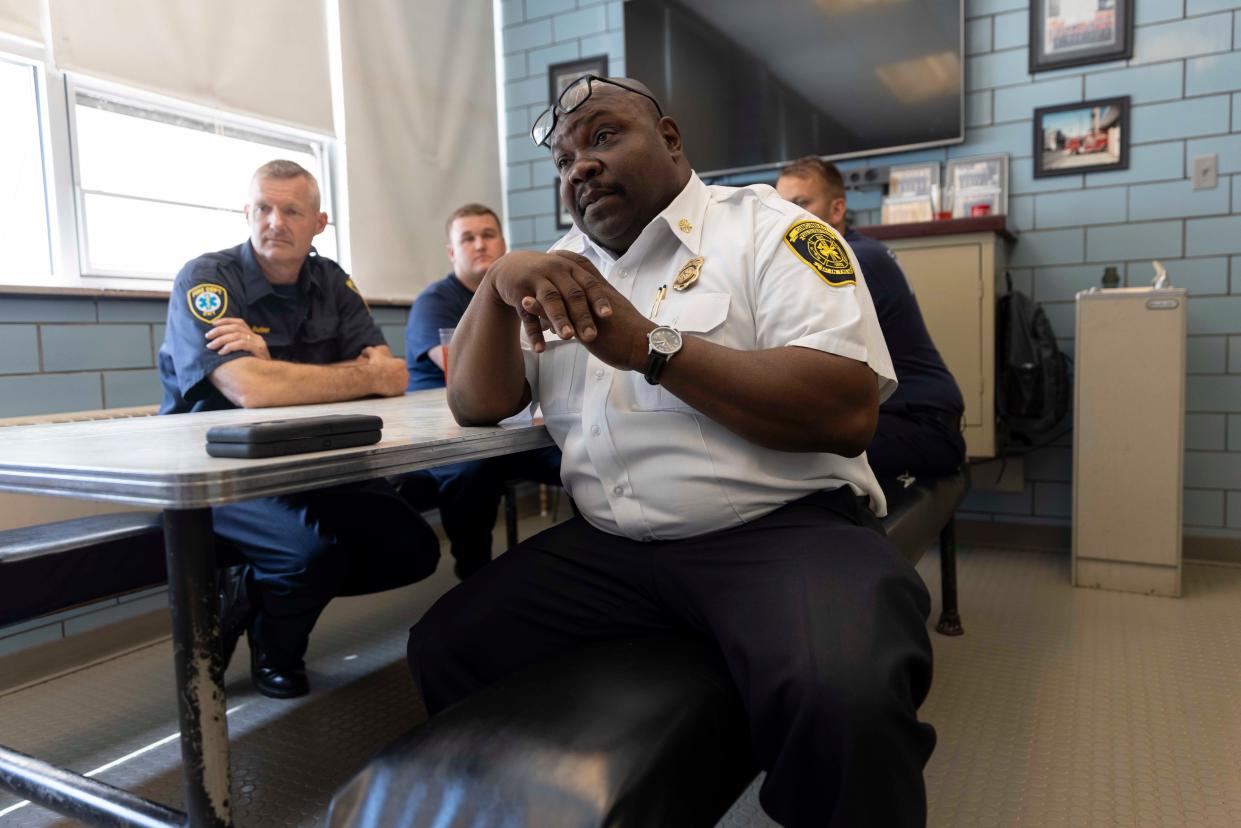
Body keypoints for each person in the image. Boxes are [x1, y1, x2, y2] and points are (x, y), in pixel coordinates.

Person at [406, 77, 935, 827]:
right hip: (613, 547)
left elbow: (845, 409)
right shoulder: (556, 269)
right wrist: (495, 286)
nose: (579, 167)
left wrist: (651, 348)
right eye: (563, 160)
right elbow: (476, 403)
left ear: (671, 139)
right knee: (446, 643)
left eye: (601, 138)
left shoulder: (770, 231)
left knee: (841, 695)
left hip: (781, 530)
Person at [158, 159, 439, 699]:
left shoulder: (330, 281)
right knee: (308, 557)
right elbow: (252, 390)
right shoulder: (208, 279)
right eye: (263, 208)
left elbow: (393, 376)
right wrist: (336, 375)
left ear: (319, 223)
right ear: (247, 212)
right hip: (214, 466)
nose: (275, 221)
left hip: (309, 455)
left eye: (292, 210)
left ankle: (257, 589)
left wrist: (274, 363)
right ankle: (276, 647)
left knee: (412, 548)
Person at [776, 157, 965, 488]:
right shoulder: (857, 250)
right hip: (902, 417)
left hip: (921, 425)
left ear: (837, 210)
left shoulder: (853, 260)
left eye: (801, 204)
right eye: (780, 206)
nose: (787, 217)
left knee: (788, 459)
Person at [400, 204, 562, 578]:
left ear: (503, 242)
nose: (480, 244)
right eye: (467, 238)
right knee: (471, 472)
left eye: (488, 235)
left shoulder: (518, 294)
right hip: (450, 432)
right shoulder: (434, 302)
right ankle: (472, 574)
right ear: (452, 251)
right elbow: (469, 380)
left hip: (512, 426)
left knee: (579, 450)